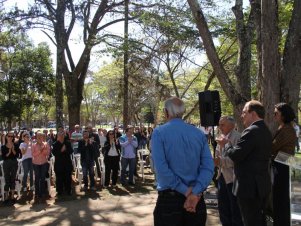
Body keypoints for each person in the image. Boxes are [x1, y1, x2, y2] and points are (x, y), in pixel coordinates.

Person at [151, 97, 214, 226]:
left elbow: (161, 169)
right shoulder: (198, 134)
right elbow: (208, 167)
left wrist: (186, 191)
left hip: (170, 200)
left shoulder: (159, 132)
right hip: (196, 199)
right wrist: (195, 192)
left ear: (166, 112)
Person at [219, 100, 272, 226]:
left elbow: (237, 155)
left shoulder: (251, 131)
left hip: (249, 187)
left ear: (252, 113)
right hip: (261, 185)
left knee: (250, 220)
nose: (242, 115)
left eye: (244, 112)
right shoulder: (265, 130)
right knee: (259, 220)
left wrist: (225, 145)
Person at [214, 116, 243, 226]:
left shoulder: (238, 138)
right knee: (223, 207)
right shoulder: (221, 136)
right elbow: (218, 155)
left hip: (233, 178)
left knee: (234, 209)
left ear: (232, 125)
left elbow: (235, 160)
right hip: (222, 176)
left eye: (222, 125)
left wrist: (219, 161)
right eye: (219, 124)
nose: (220, 127)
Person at [271, 103, 296, 226]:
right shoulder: (283, 127)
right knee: (279, 199)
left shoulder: (287, 129)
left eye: (276, 113)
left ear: (283, 115)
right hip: (281, 164)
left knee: (282, 200)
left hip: (283, 165)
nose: (274, 115)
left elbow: (273, 147)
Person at [52, 131, 74, 196]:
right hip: (59, 164)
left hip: (67, 163)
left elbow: (71, 151)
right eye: (60, 136)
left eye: (62, 136)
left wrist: (66, 150)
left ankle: (68, 190)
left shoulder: (67, 143)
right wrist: (61, 151)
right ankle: (59, 191)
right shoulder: (55, 144)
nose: (61, 137)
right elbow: (54, 153)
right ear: (58, 137)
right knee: (59, 178)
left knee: (68, 177)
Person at [1, 132, 20, 203]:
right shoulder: (3, 146)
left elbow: (17, 155)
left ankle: (12, 196)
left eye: (12, 136)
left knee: (13, 179)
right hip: (6, 163)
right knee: (7, 179)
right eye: (9, 136)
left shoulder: (15, 145)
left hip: (14, 163)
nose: (10, 138)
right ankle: (6, 197)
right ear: (6, 137)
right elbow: (3, 157)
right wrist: (9, 152)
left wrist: (13, 150)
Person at [32, 132, 50, 200]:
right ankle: (36, 193)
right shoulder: (33, 145)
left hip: (43, 163)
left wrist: (42, 151)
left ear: (43, 137)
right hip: (36, 163)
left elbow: (47, 153)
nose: (39, 137)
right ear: (36, 137)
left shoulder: (46, 144)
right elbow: (33, 154)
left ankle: (42, 192)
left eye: (40, 136)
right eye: (38, 136)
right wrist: (40, 150)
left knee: (42, 178)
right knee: (37, 178)